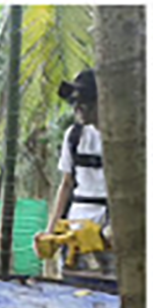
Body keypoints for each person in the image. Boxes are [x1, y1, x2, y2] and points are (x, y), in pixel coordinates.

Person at [35, 69, 114, 276]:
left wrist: (114, 231)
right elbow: (66, 184)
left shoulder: (123, 137)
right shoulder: (74, 136)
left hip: (110, 228)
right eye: (74, 102)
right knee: (72, 286)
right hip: (74, 228)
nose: (77, 108)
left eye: (84, 101)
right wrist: (50, 232)